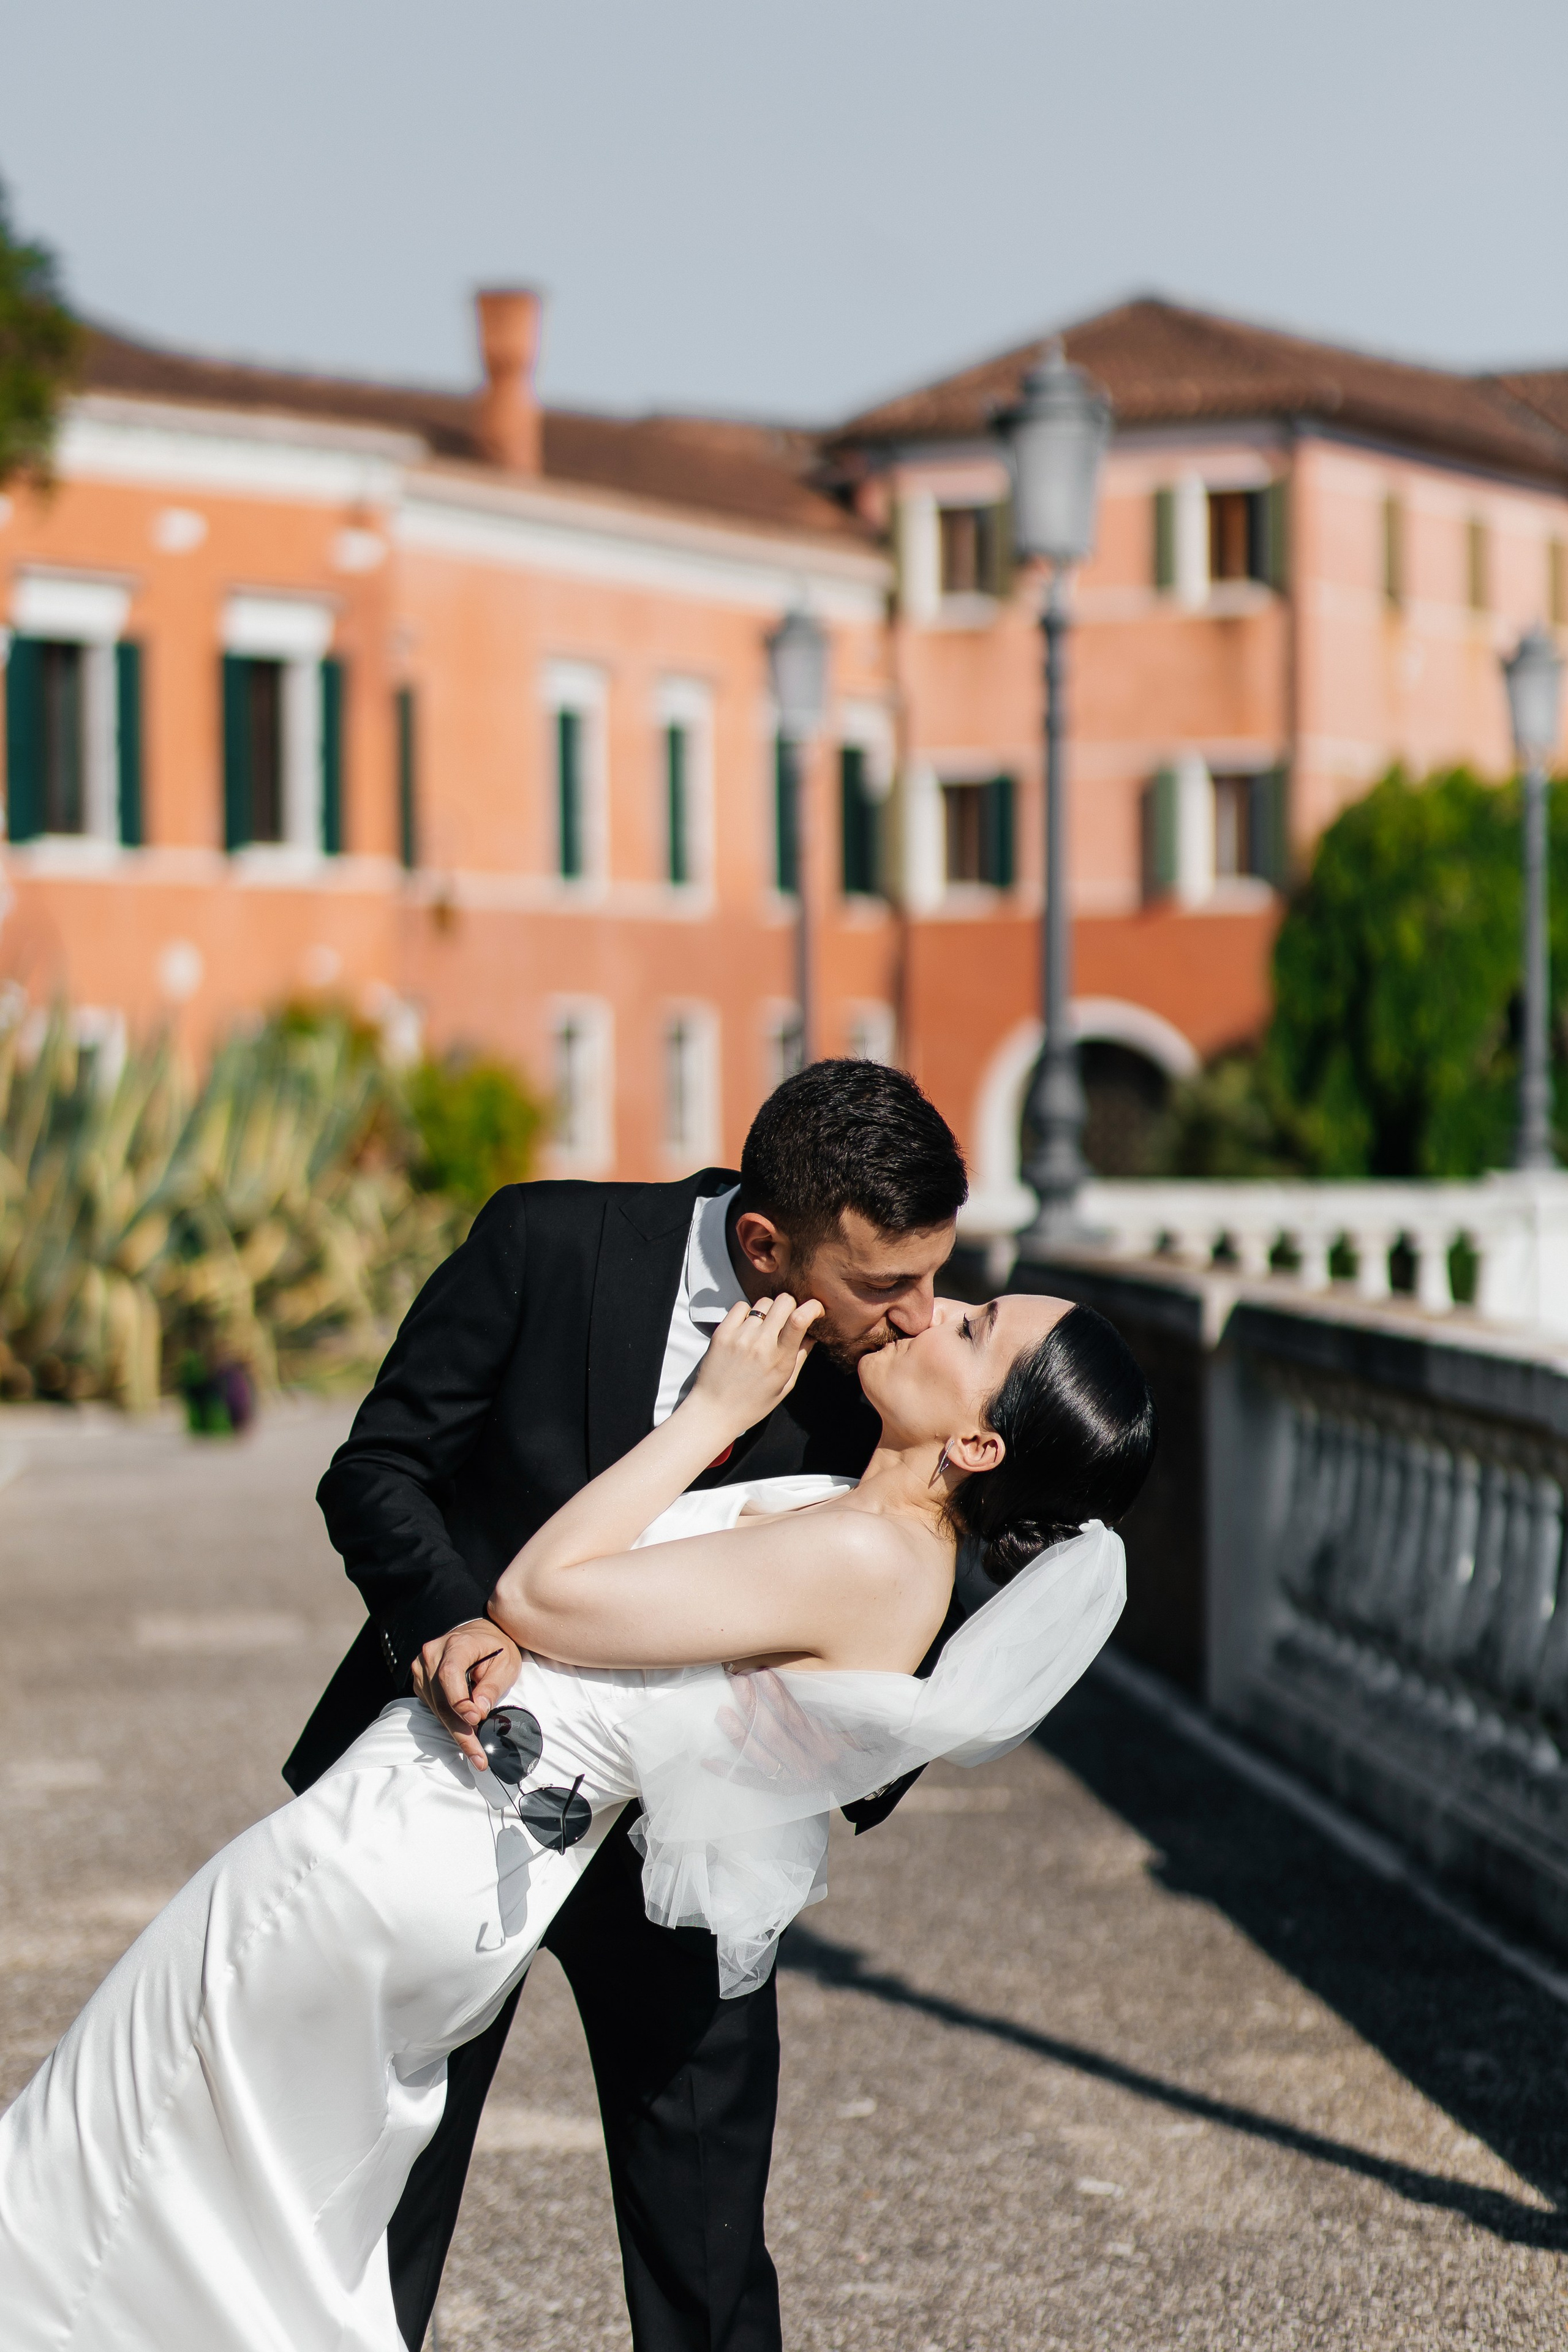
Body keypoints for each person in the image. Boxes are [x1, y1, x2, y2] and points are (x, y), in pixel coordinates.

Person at [0, 1268, 1156, 2352]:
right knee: (226, 2228)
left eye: (971, 1329)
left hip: (405, 1849)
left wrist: (712, 1413)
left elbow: (536, 1595)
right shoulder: (862, 1528)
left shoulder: (869, 1556)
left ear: (980, 1443)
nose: (930, 1308)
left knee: (96, 2175)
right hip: (444, 1854)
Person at [291, 1058, 970, 2352]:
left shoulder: (889, 1378)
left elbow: (928, 1580)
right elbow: (376, 1470)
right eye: (885, 1284)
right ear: (764, 1246)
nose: (917, 1318)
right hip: (455, 1797)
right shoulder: (545, 1243)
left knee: (705, 2257)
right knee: (372, 2215)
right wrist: (446, 1617)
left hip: (690, 1855)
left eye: (936, 1277)